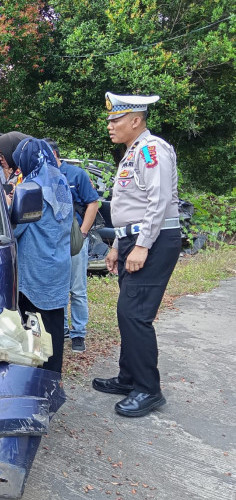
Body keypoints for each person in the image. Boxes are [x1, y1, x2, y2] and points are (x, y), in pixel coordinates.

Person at [92, 92, 181, 417]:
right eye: (110, 120)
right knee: (126, 312)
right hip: (134, 239)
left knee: (135, 314)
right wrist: (118, 245)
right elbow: (130, 208)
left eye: (115, 120)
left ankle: (148, 389)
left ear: (135, 120)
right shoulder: (131, 153)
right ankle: (129, 377)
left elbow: (158, 203)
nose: (110, 126)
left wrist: (142, 245)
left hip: (154, 240)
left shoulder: (152, 150)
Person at [12, 138, 73, 373]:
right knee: (54, 326)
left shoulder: (31, 188)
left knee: (34, 327)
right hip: (58, 264)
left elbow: (17, 229)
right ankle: (53, 377)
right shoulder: (60, 181)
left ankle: (36, 379)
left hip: (36, 269)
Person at [43, 138, 100, 353]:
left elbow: (92, 203)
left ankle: (78, 333)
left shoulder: (76, 175)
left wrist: (83, 233)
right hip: (53, 240)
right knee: (58, 286)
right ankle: (63, 328)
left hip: (75, 237)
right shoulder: (43, 177)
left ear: (54, 154)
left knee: (77, 288)